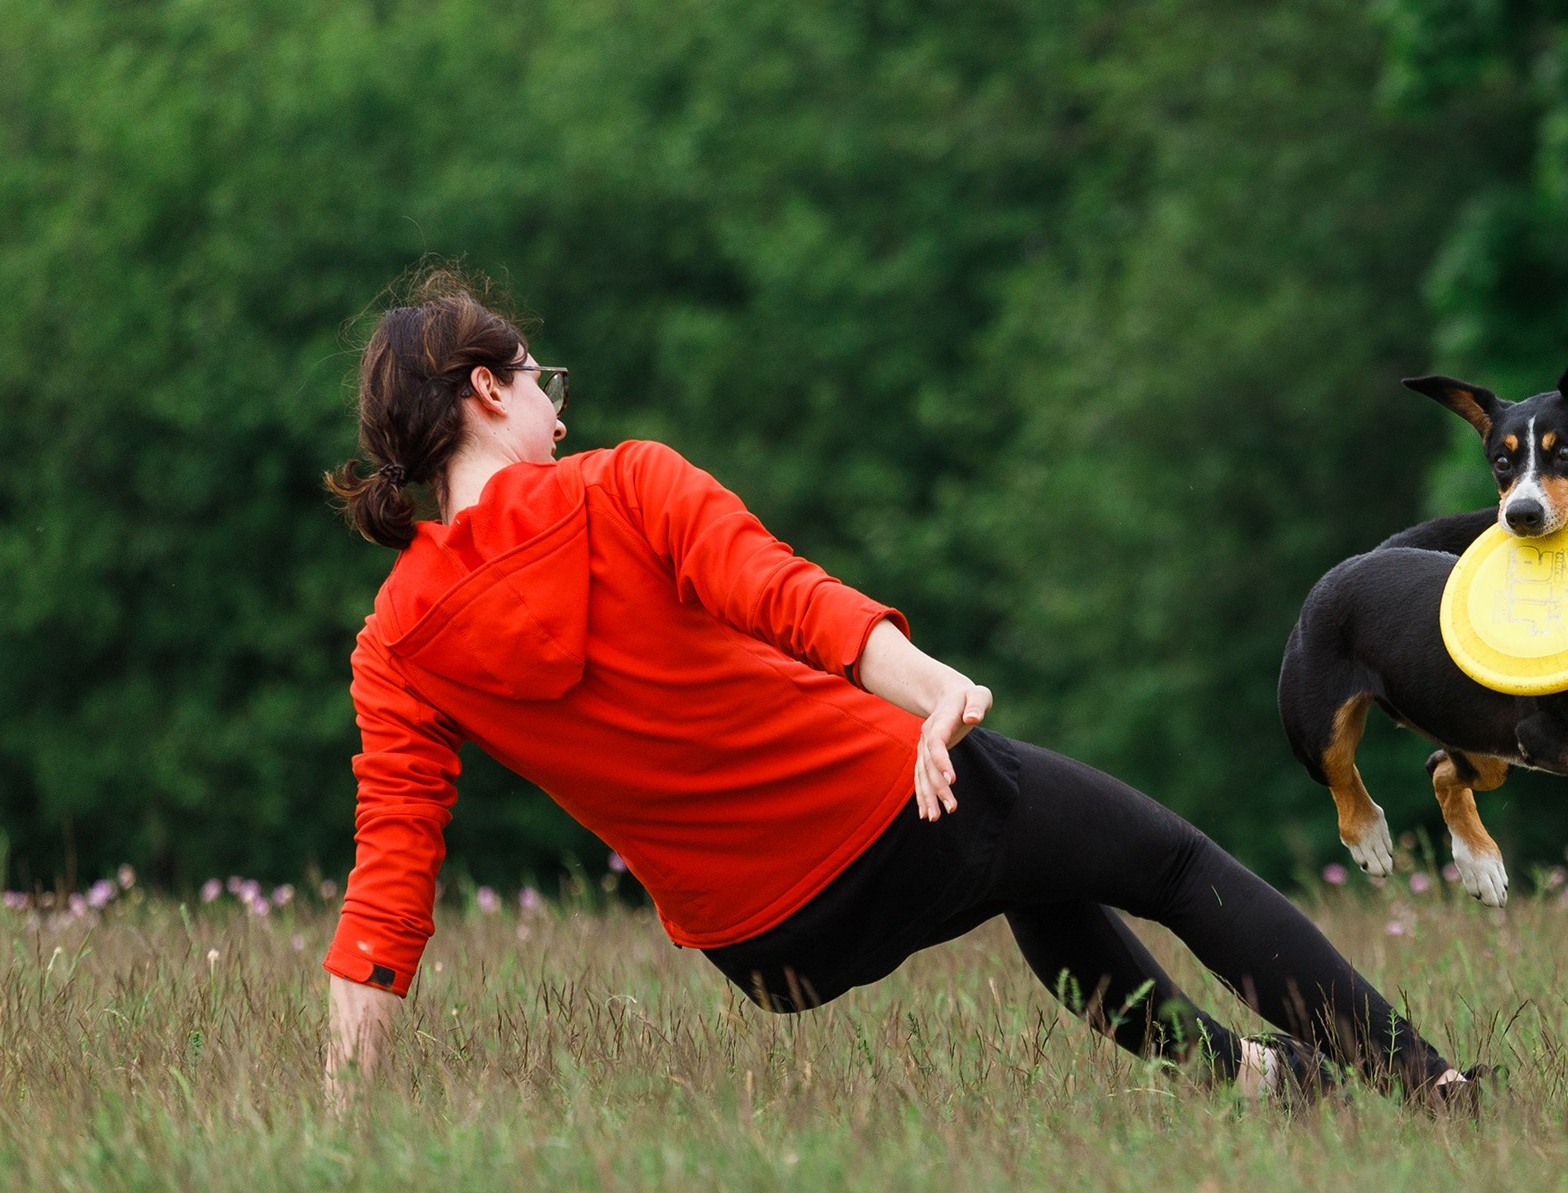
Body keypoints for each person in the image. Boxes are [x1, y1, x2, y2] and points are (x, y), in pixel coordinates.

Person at [320, 265, 1472, 1108]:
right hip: (891, 807)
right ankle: (1433, 1090)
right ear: (484, 389)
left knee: (1044, 871)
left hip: (768, 949)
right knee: (1168, 865)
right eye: (539, 382)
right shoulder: (622, 484)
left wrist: (338, 1111)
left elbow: (390, 881)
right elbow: (785, 593)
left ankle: (1265, 1087)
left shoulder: (397, 641)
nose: (557, 411)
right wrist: (929, 688)